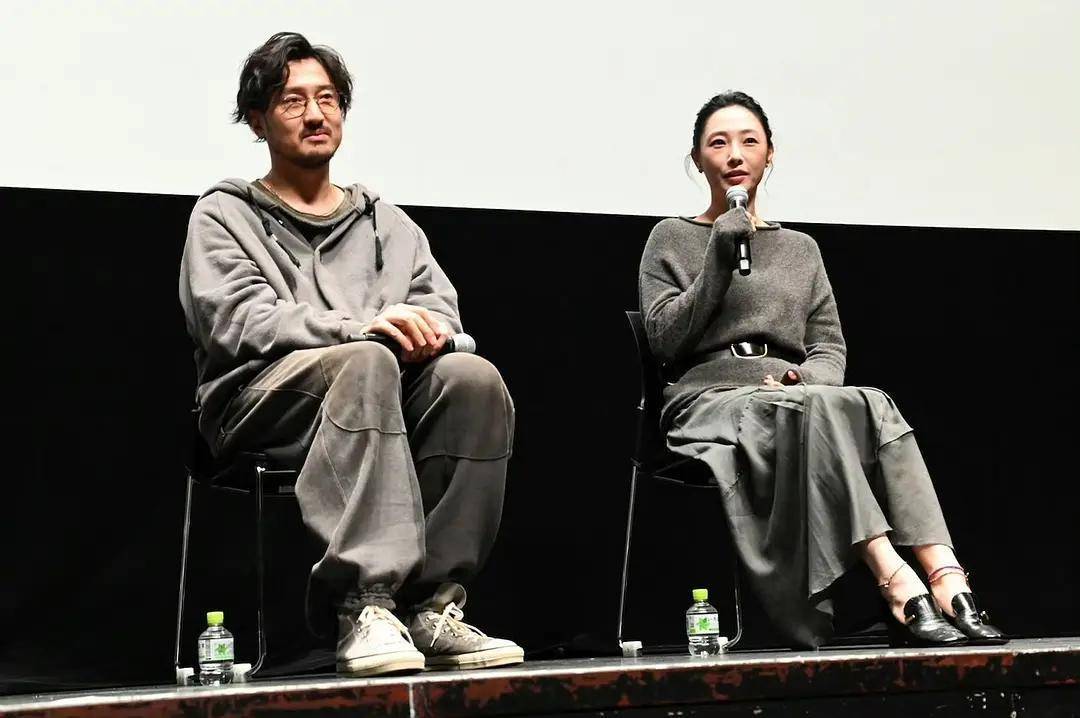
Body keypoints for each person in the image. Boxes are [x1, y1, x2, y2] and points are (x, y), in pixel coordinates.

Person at [178, 32, 523, 676]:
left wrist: (428, 337)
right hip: (259, 400)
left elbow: (443, 314)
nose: (315, 114)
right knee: (366, 360)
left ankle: (431, 606)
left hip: (378, 388)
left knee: (471, 379)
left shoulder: (385, 222)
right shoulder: (224, 215)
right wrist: (362, 330)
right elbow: (235, 321)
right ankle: (365, 603)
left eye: (328, 99)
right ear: (256, 120)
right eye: (293, 101)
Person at [638, 91, 1006, 649]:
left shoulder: (801, 249)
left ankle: (947, 578)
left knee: (873, 401)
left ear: (769, 155)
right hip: (709, 401)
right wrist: (718, 256)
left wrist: (803, 380)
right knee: (815, 411)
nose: (734, 154)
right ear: (697, 160)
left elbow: (828, 347)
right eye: (718, 143)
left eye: (749, 141)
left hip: (789, 395)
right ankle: (895, 580)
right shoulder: (670, 237)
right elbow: (664, 340)